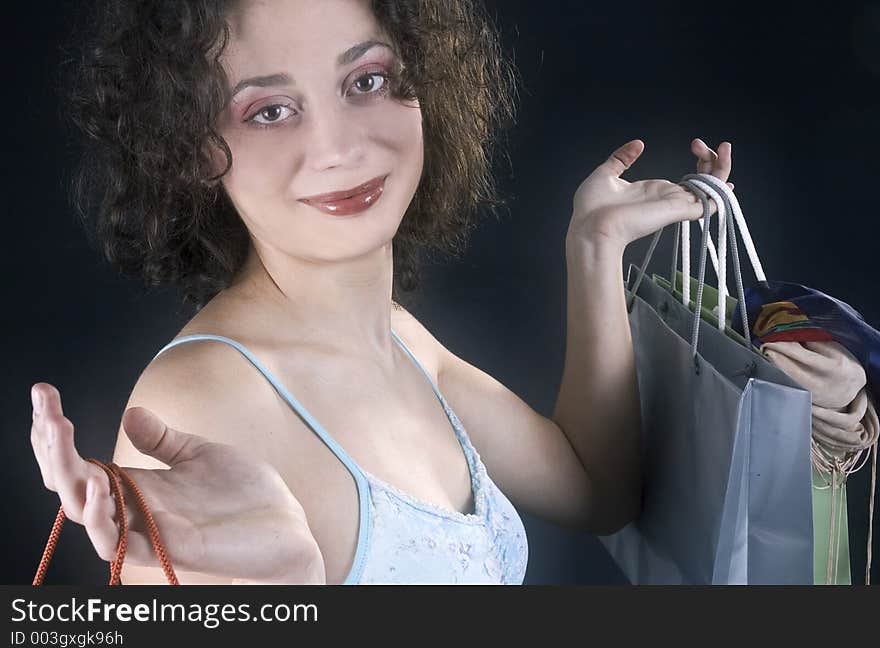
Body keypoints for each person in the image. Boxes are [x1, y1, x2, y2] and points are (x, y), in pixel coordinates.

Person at [30, 0, 733, 585]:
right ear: (193, 149)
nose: (338, 147)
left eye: (365, 80)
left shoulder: (401, 339)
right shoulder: (193, 405)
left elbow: (597, 488)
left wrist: (595, 247)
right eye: (269, 111)